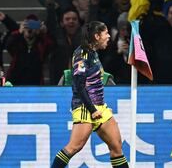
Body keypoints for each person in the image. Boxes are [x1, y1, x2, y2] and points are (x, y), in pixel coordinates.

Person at [51, 21, 129, 168]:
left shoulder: (93, 53)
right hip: (85, 107)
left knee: (117, 147)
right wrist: (93, 110)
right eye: (106, 33)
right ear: (96, 36)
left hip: (100, 107)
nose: (108, 37)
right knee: (74, 146)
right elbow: (79, 87)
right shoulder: (82, 55)